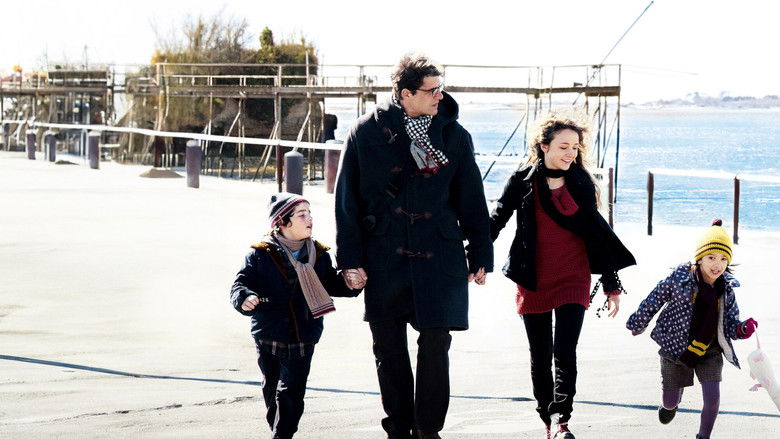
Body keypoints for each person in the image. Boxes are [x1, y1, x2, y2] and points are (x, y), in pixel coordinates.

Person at [334, 53, 493, 439]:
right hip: (383, 255)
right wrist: (349, 260)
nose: (441, 96)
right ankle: (399, 426)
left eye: (441, 88)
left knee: (437, 343)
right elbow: (347, 202)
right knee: (388, 349)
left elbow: (472, 199)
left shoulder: (454, 135)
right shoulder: (364, 132)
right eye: (432, 90)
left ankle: (428, 429)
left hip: (440, 255)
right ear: (406, 94)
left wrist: (480, 254)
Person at [489, 109, 636, 439]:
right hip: (533, 278)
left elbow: (597, 234)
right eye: (563, 146)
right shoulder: (522, 181)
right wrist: (474, 259)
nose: (571, 153)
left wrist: (611, 282)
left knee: (565, 352)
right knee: (540, 356)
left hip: (573, 276)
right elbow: (496, 220)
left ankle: (561, 419)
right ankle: (547, 417)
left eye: (575, 147)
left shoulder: (581, 183)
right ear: (544, 146)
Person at [230, 192, 359, 439]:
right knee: (272, 388)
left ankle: (282, 435)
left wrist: (351, 284)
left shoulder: (319, 254)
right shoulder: (260, 254)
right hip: (269, 333)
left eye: (309, 213)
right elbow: (240, 285)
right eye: (302, 215)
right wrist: (244, 297)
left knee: (291, 391)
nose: (310, 219)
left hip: (304, 333)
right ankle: (279, 430)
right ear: (282, 222)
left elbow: (332, 284)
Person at [626, 219, 758, 439]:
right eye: (711, 257)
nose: (717, 265)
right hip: (675, 348)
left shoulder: (726, 289)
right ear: (700, 257)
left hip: (710, 349)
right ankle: (671, 403)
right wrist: (638, 323)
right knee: (669, 401)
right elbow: (654, 299)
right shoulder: (679, 278)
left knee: (713, 397)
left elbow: (731, 325)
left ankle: (703, 436)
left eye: (723, 259)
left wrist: (742, 329)